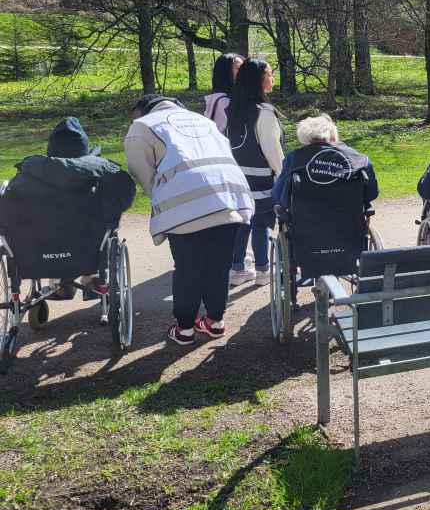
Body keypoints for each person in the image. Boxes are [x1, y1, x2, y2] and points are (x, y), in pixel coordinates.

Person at [124, 95, 252, 345]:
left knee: (187, 267)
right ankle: (215, 321)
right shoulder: (202, 121)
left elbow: (140, 170)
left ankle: (184, 328)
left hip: (184, 201)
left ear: (142, 111)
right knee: (219, 263)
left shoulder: (143, 126)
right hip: (230, 195)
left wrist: (161, 196)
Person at [0, 117, 136, 299]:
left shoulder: (26, 179)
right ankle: (91, 280)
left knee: (49, 229)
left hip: (36, 258)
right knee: (102, 229)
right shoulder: (100, 174)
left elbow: (7, 215)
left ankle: (58, 283)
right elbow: (124, 197)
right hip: (87, 254)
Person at [227, 59, 285, 286]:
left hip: (237, 176)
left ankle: (237, 268)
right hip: (261, 176)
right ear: (259, 80)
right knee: (261, 224)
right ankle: (262, 270)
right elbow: (272, 149)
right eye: (270, 74)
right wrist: (283, 173)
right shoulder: (264, 113)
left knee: (242, 223)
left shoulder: (233, 109)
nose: (272, 78)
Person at [274, 114, 378, 211]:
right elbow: (372, 193)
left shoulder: (294, 158)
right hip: (350, 226)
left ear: (303, 135)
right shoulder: (358, 159)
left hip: (304, 226)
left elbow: (278, 195)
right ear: (332, 133)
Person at [204, 53, 245, 133]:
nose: (243, 73)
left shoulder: (218, 97)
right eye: (238, 68)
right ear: (225, 72)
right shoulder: (224, 102)